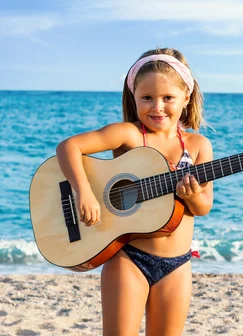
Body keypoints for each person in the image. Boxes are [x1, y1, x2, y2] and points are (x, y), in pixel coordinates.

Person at [56, 48, 213, 336]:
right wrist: (84, 192)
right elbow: (69, 147)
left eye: (168, 98)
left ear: (186, 98)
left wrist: (191, 196)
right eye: (147, 98)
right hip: (129, 257)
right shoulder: (128, 135)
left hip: (178, 264)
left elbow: (203, 207)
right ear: (134, 98)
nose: (157, 107)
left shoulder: (198, 145)